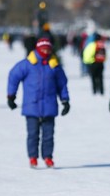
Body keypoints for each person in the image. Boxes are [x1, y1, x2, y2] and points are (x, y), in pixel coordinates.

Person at [7, 38, 70, 168]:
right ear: (38, 49)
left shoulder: (54, 66)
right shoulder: (27, 64)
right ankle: (33, 157)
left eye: (48, 48)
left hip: (49, 105)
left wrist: (65, 100)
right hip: (32, 105)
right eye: (43, 48)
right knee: (33, 134)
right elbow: (13, 76)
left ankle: (47, 157)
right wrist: (11, 96)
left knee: (48, 135)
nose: (46, 51)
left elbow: (62, 84)